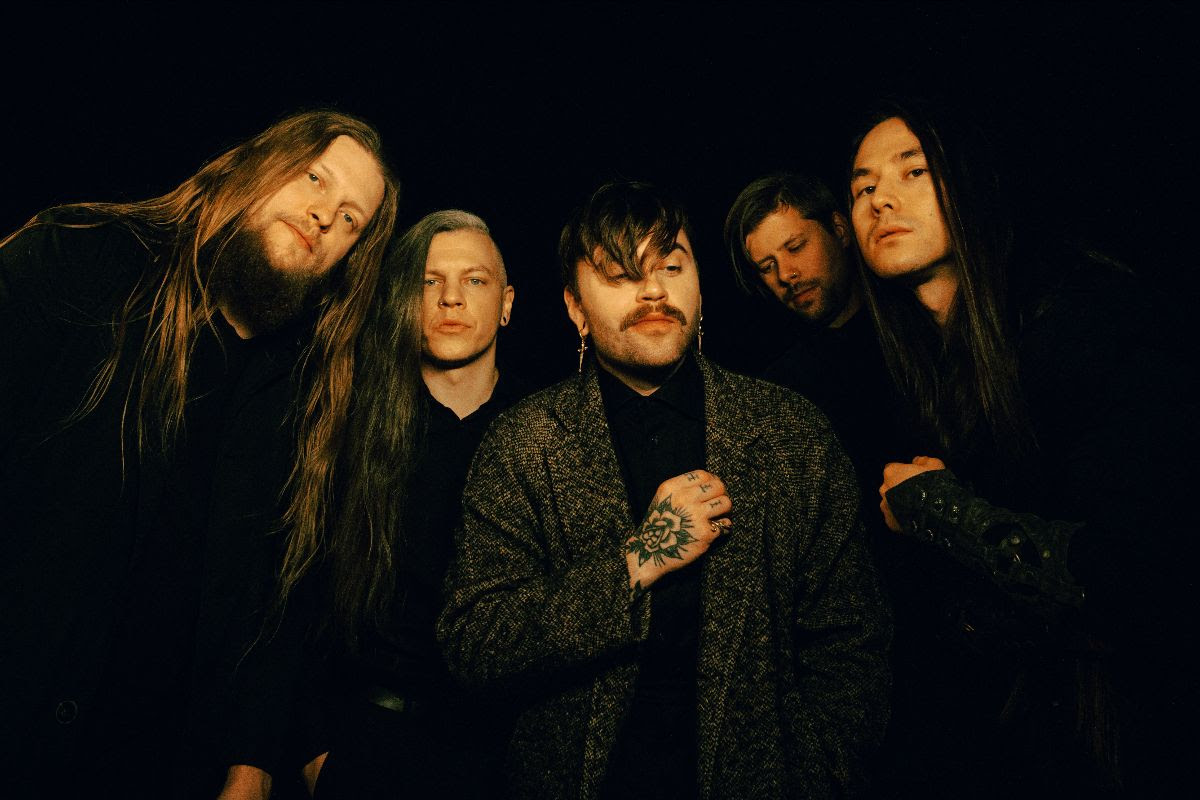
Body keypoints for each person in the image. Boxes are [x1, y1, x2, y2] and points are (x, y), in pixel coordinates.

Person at [438, 180, 891, 799]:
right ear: (575, 308)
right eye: (620, 275)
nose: (653, 290)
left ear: (699, 286)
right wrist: (639, 558)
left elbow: (852, 644)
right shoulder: (525, 442)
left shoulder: (790, 430)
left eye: (671, 267)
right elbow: (475, 646)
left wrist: (814, 776)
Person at [0, 110, 398, 799]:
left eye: (350, 219)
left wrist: (250, 761)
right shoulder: (82, 254)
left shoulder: (306, 395)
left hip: (154, 766)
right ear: (258, 163)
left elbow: (272, 596)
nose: (323, 215)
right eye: (314, 178)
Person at [849, 98, 1198, 796]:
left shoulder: (1091, 319)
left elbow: (1137, 575)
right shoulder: (919, 369)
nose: (880, 199)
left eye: (913, 171)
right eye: (862, 188)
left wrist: (938, 511)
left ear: (970, 183)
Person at [293, 210, 520, 798]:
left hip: (505, 756)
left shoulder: (544, 435)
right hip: (365, 744)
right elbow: (293, 596)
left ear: (507, 304)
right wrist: (314, 748)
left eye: (474, 280)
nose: (450, 298)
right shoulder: (347, 426)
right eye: (428, 280)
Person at [725, 172, 907, 491]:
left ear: (839, 229)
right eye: (767, 267)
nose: (786, 274)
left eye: (795, 247)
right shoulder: (780, 390)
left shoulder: (920, 329)